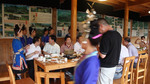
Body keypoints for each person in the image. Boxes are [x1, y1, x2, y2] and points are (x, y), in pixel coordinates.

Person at [97, 18, 122, 84]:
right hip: (113, 65)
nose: (99, 31)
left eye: (98, 29)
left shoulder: (106, 36)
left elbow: (102, 55)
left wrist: (96, 48)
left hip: (105, 66)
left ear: (101, 25)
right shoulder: (118, 34)